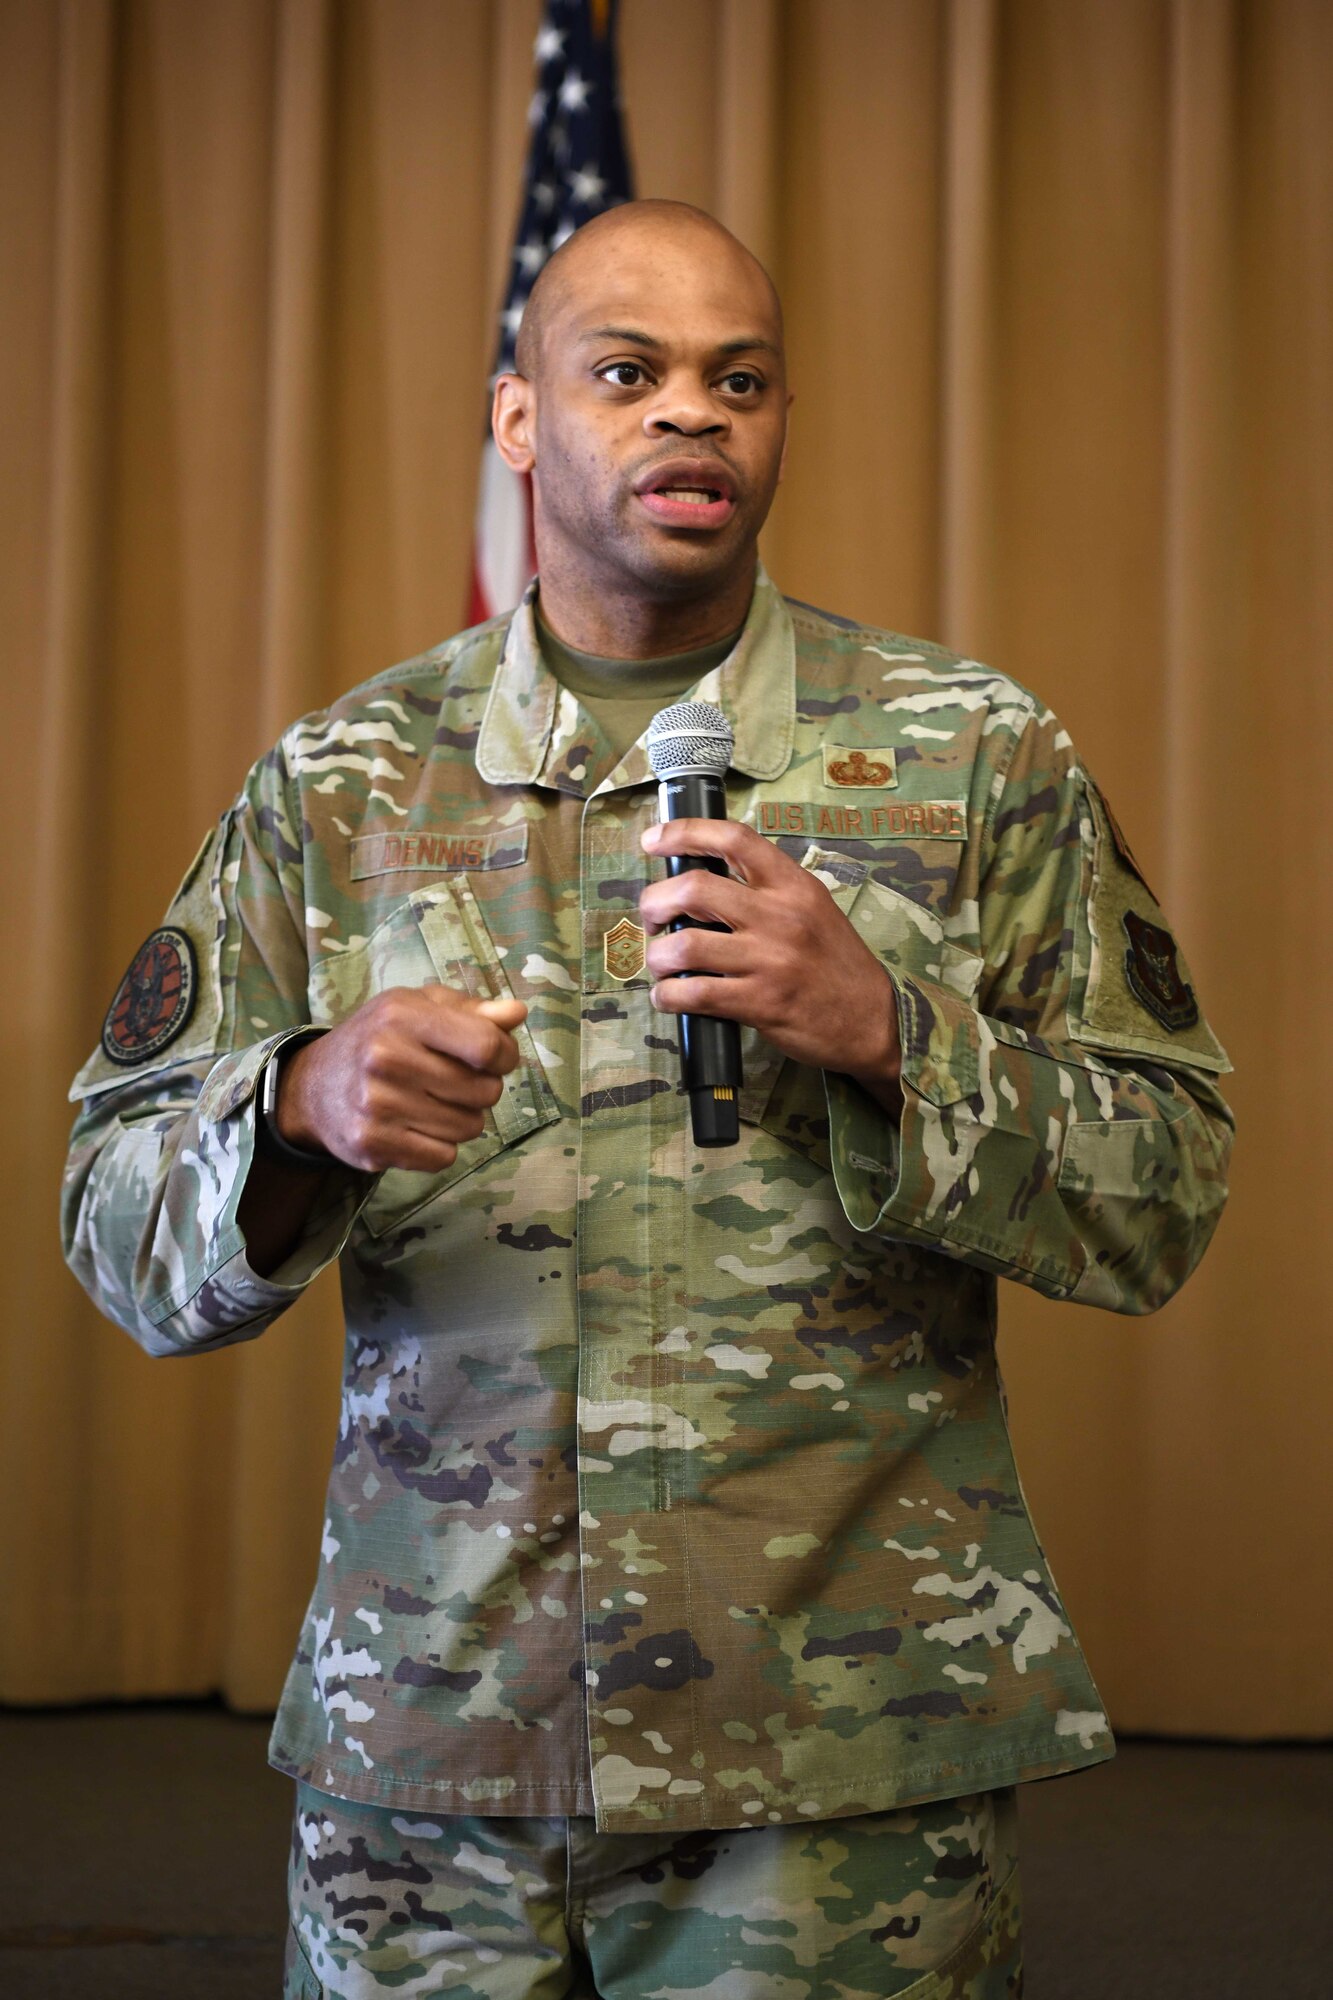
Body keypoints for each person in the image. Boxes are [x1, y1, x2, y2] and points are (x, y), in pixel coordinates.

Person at [63, 200, 1233, 1999]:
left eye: (737, 379)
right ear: (520, 422)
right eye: (628, 373)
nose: (691, 415)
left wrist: (889, 1029)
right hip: (435, 1760)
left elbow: (1164, 1189)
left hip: (835, 1766)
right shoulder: (343, 783)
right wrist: (295, 1102)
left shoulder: (973, 753)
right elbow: (112, 1222)